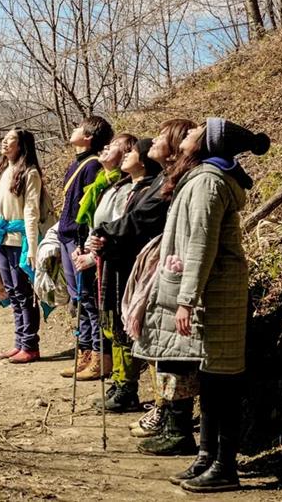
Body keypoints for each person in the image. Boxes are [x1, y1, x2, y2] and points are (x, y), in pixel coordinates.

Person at [133, 119, 269, 493]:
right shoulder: (201, 177)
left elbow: (201, 246)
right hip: (209, 294)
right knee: (210, 380)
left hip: (218, 295)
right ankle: (207, 457)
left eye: (195, 133)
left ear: (205, 145)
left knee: (223, 382)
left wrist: (186, 299)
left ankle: (226, 466)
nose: (188, 135)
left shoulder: (208, 183)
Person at [88, 119, 195, 445]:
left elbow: (141, 218)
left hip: (162, 270)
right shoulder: (162, 179)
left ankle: (169, 414)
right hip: (142, 266)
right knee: (147, 341)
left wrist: (107, 233)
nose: (151, 142)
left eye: (161, 137)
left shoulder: (171, 183)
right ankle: (164, 411)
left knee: (160, 345)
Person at [88, 137, 162, 409]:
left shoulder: (151, 190)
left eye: (130, 152)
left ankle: (131, 387)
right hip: (113, 261)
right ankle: (121, 381)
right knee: (113, 324)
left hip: (133, 263)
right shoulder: (123, 186)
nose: (125, 155)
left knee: (128, 325)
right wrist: (97, 242)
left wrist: (107, 236)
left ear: (143, 160)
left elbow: (134, 224)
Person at [0, 128, 49, 363]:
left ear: (21, 145)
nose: (4, 143)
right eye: (4, 139)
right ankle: (19, 341)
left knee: (24, 293)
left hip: (20, 241)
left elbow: (31, 212)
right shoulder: (2, 170)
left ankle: (30, 345)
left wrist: (33, 247)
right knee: (12, 292)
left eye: (10, 140)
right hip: (1, 240)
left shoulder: (30, 173)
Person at [71, 133, 138, 382]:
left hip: (113, 261)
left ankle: (123, 380)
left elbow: (118, 228)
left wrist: (94, 255)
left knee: (115, 320)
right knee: (100, 314)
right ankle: (114, 373)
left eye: (115, 147)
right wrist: (84, 248)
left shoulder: (126, 188)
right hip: (95, 256)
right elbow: (94, 225)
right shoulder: (105, 183)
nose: (106, 148)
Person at [58, 116, 114, 380]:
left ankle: (98, 355)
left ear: (89, 136)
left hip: (78, 240)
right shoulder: (77, 164)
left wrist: (82, 245)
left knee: (89, 299)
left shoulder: (92, 166)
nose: (73, 129)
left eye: (79, 127)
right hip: (67, 236)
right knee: (78, 298)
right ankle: (84, 352)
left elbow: (87, 210)